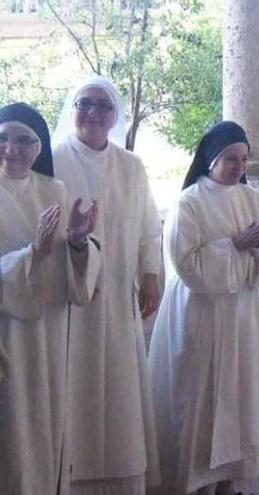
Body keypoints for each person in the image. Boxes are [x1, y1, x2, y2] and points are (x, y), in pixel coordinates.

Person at [148, 121, 259, 495]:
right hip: (202, 314)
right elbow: (185, 262)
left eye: (243, 159)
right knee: (201, 396)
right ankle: (197, 481)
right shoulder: (188, 202)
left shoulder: (253, 199)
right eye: (230, 159)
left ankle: (228, 479)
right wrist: (235, 244)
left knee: (238, 394)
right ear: (211, 160)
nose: (239, 167)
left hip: (241, 312)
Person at [52, 75, 163, 495]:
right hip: (68, 299)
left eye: (103, 106)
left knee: (119, 386)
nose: (94, 114)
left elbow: (150, 228)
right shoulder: (55, 161)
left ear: (115, 115)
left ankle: (120, 474)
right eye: (85, 104)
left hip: (118, 295)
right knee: (73, 383)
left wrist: (150, 272)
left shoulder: (131, 166)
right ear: (73, 109)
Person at [0, 102, 99, 495]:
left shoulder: (54, 190)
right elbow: (38, 253)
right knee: (12, 430)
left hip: (49, 332)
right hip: (6, 334)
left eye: (24, 140)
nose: (12, 149)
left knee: (45, 424)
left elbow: (73, 265)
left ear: (39, 148)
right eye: (4, 138)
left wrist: (77, 241)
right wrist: (33, 253)